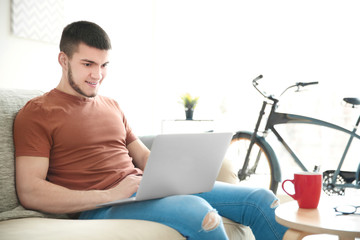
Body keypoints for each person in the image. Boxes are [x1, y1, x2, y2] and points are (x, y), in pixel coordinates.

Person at [13, 21, 287, 240]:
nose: (97, 75)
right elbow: (31, 191)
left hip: (144, 190)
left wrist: (180, 174)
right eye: (88, 64)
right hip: (100, 206)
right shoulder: (38, 112)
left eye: (104, 65)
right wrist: (110, 195)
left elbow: (143, 157)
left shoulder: (111, 105)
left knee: (261, 199)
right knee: (198, 211)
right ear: (63, 60)